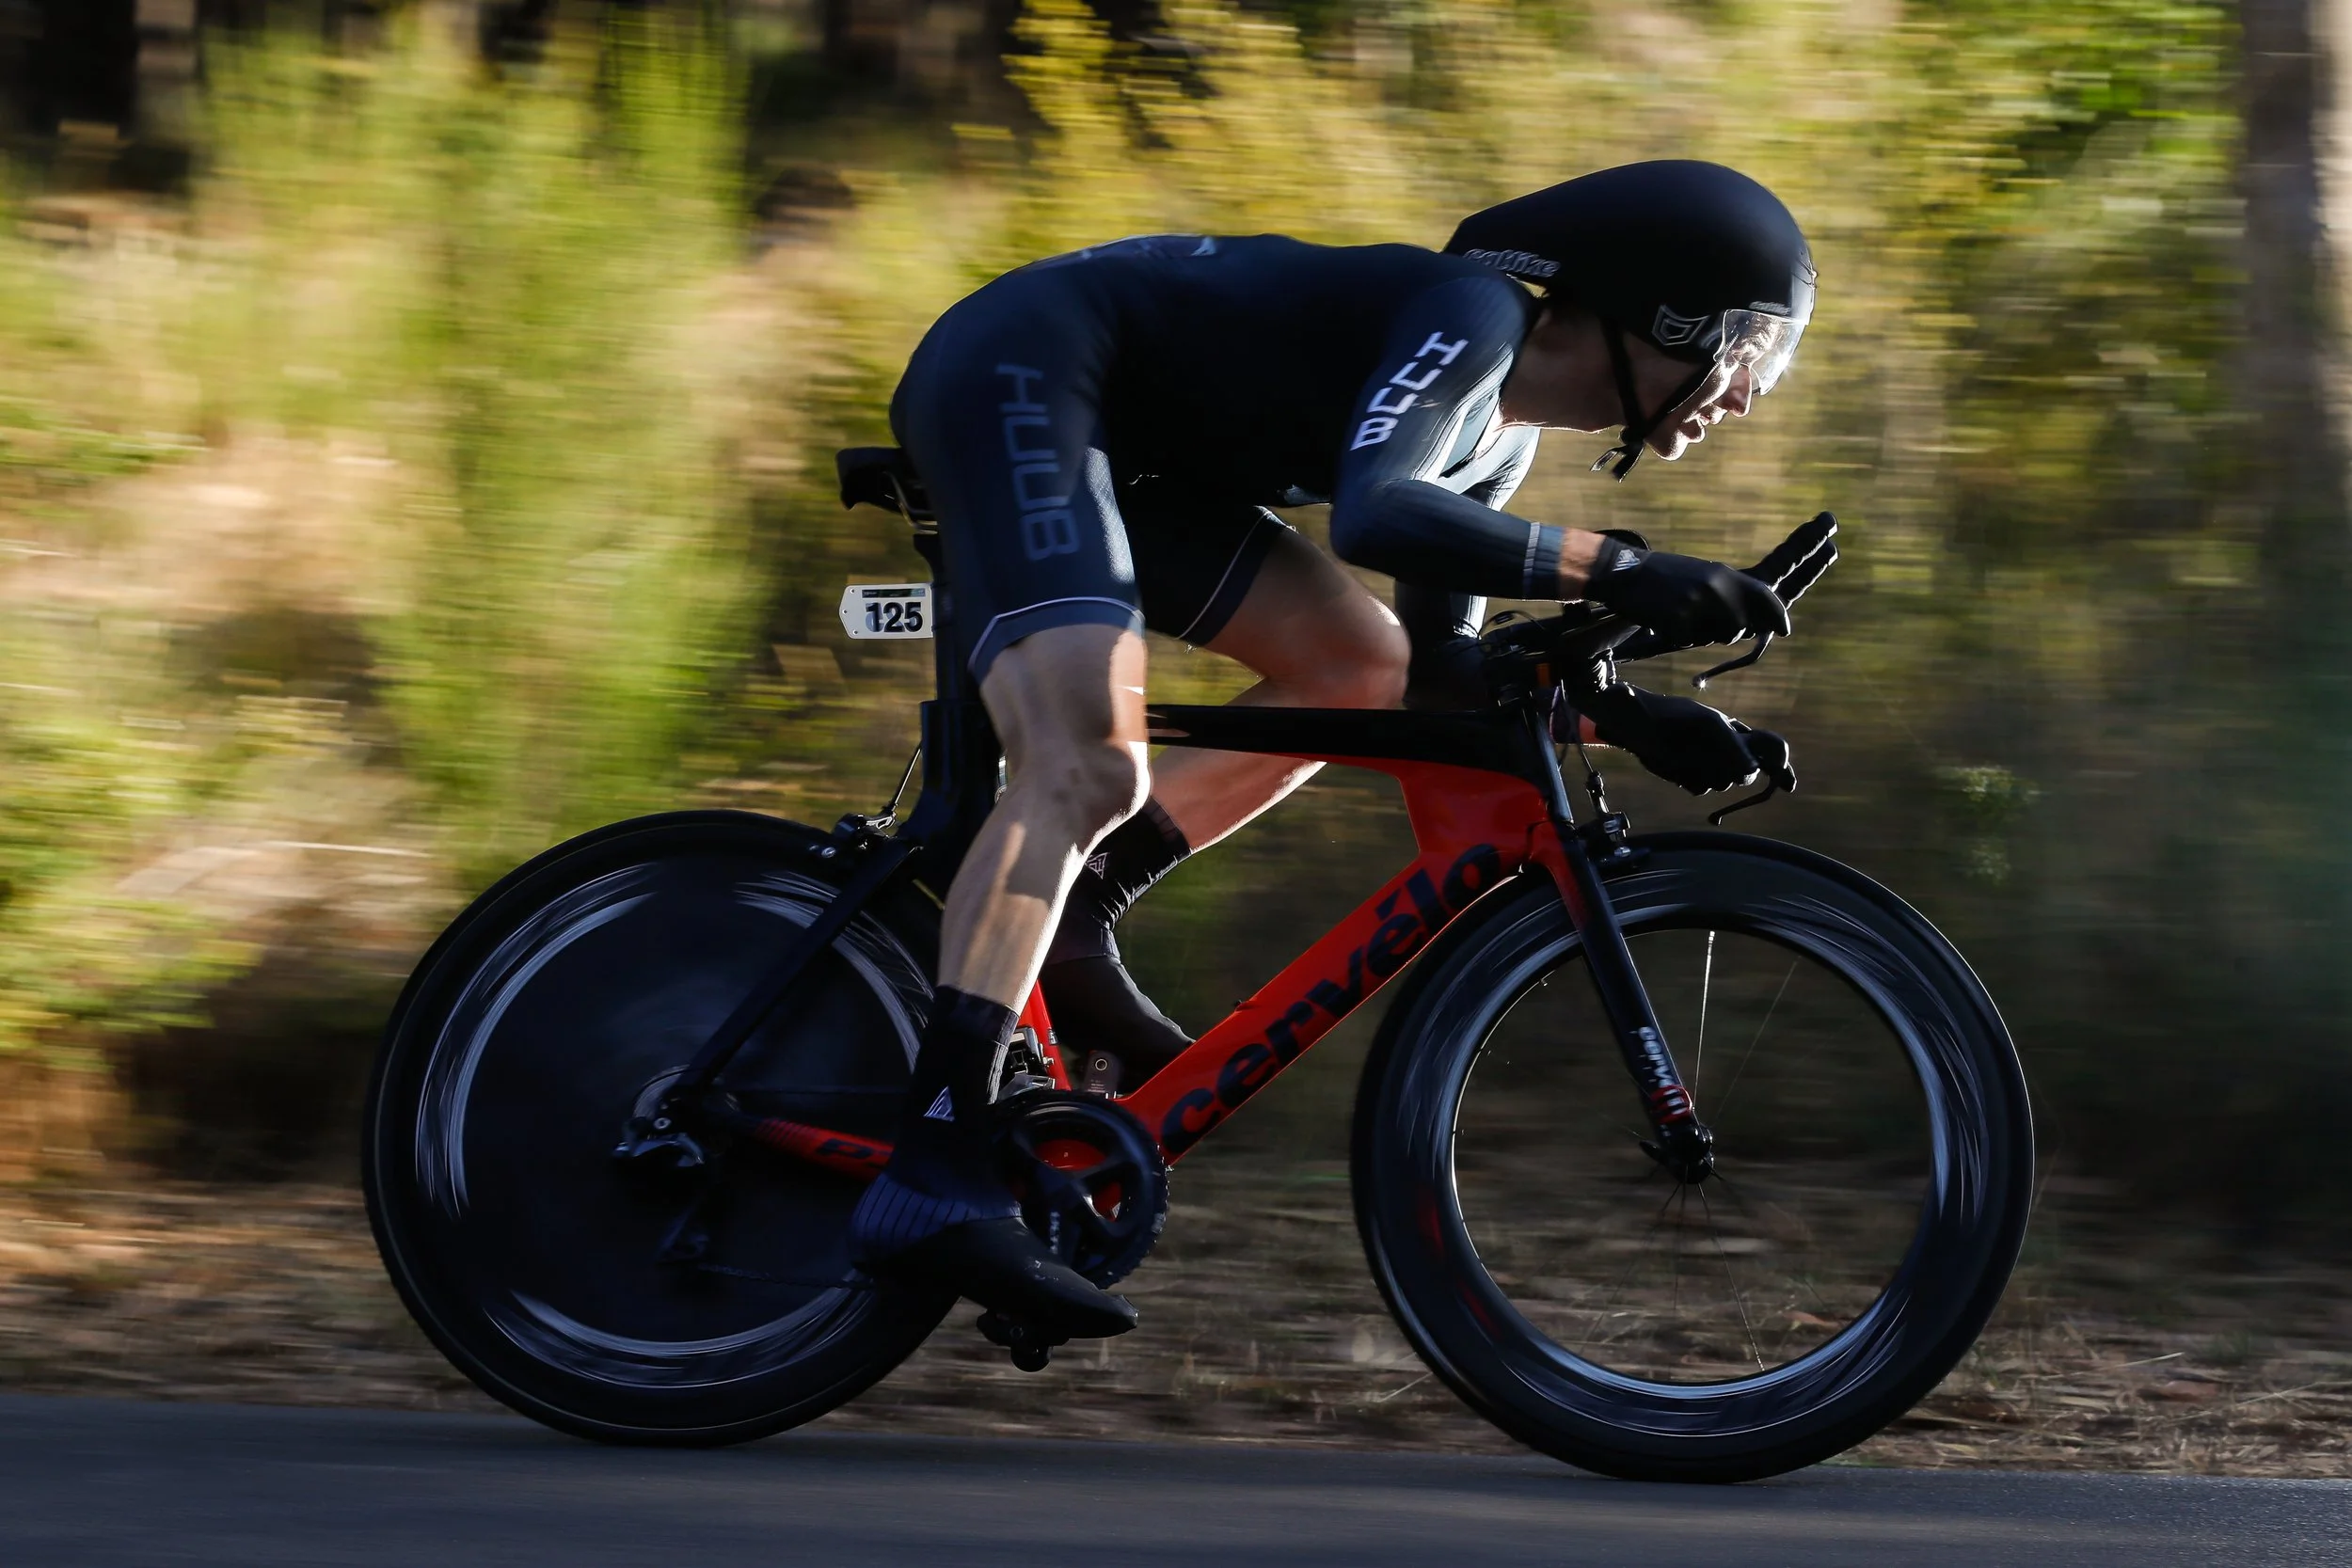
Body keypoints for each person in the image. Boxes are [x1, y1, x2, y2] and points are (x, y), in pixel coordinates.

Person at [849, 160, 1816, 1340]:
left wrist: (1629, 710)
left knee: (1360, 669)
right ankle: (934, 1162)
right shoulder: (1474, 315)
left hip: (1130, 454)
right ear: (1657, 308)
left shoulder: (1498, 447)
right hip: (1026, 369)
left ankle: (1078, 905)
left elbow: (1439, 676)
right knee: (1086, 759)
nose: (1750, 386)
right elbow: (1373, 512)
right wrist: (1623, 566)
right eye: (1747, 343)